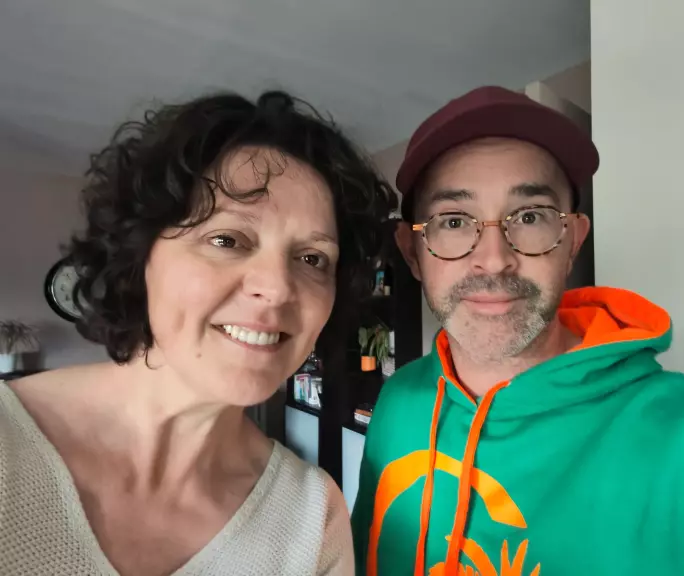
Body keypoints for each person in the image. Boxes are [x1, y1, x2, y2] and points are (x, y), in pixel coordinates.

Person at [351, 86, 684, 575]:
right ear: (411, 252)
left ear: (572, 241)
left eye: (530, 217)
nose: (494, 259)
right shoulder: (399, 399)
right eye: (455, 220)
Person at [0, 90, 395, 575]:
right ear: (140, 257)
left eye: (312, 258)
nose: (277, 289)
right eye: (227, 239)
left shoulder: (311, 516)